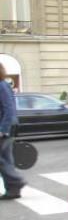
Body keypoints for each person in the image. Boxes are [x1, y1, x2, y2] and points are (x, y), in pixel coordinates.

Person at [0, 62, 26, 200]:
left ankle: (16, 181)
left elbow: (9, 109)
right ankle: (13, 190)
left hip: (5, 128)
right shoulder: (3, 84)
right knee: (6, 159)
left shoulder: (1, 85)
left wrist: (2, 130)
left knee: (3, 160)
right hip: (7, 126)